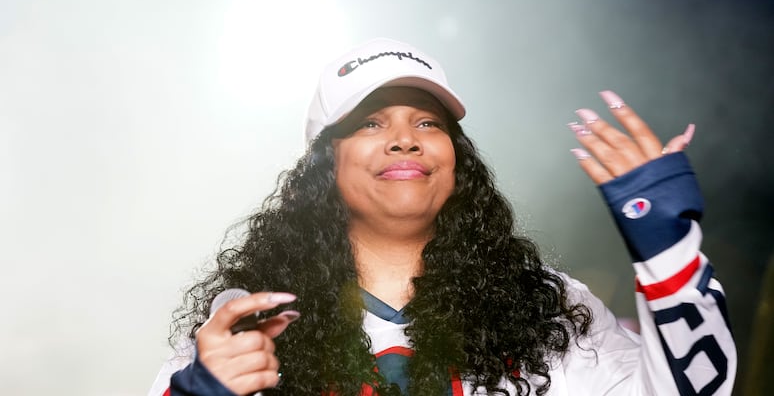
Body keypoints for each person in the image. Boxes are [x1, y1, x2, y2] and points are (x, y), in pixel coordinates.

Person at [149, 38, 736, 395]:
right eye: (371, 123)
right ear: (323, 166)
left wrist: (668, 251)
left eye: (428, 123)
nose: (405, 140)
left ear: (457, 160)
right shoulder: (245, 322)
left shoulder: (551, 312)